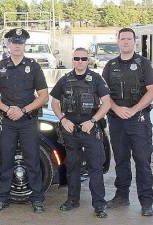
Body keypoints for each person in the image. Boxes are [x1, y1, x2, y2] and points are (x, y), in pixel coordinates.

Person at [0, 28, 49, 213]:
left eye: (20, 43)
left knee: (33, 160)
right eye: (14, 42)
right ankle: (2, 198)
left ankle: (37, 199)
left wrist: (23, 110)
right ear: (8, 44)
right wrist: (7, 109)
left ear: (24, 45)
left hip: (28, 121)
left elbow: (44, 96)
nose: (17, 46)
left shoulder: (34, 66)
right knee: (5, 160)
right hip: (7, 122)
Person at [50, 48, 111, 218]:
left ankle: (99, 205)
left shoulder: (96, 79)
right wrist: (63, 119)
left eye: (83, 59)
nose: (80, 61)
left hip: (90, 129)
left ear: (88, 60)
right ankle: (72, 200)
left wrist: (93, 121)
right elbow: (54, 102)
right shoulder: (65, 80)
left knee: (95, 168)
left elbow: (106, 103)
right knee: (72, 167)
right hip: (70, 130)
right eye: (76, 58)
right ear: (73, 60)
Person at [102, 28, 153, 217]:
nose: (125, 42)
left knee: (143, 161)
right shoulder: (110, 65)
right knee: (121, 161)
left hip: (139, 120)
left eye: (129, 39)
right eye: (122, 38)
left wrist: (133, 109)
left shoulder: (144, 64)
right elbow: (104, 94)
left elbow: (151, 90)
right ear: (117, 41)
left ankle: (147, 201)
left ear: (134, 42)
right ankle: (121, 196)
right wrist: (115, 108)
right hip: (116, 121)